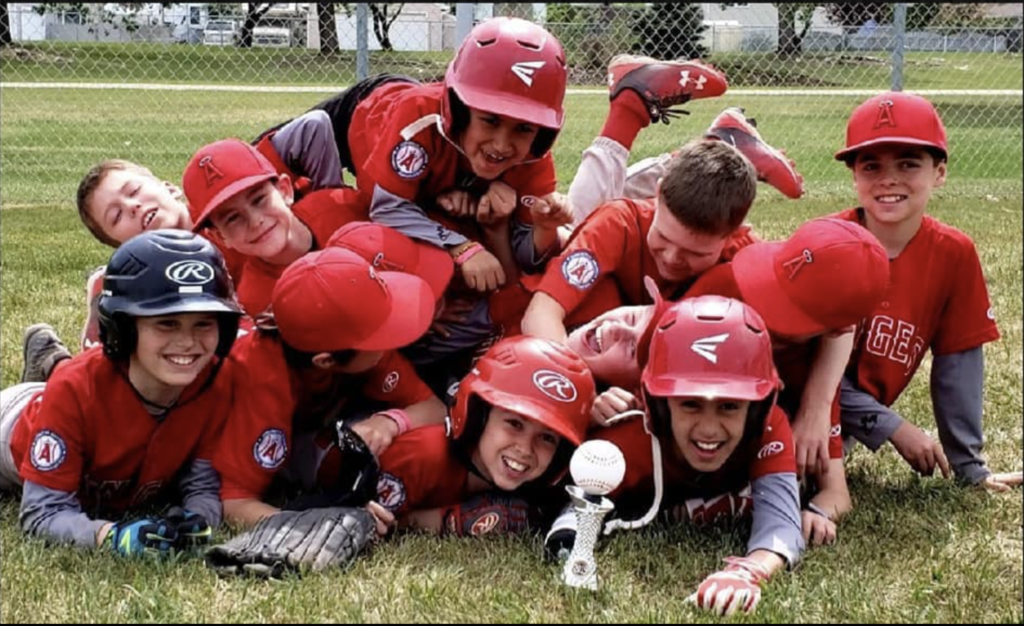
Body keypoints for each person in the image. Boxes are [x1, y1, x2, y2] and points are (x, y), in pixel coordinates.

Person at [551, 296, 803, 617]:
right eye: (690, 404)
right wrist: (571, 549)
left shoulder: (769, 426)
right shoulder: (633, 435)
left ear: (757, 410)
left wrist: (749, 571)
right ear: (657, 404)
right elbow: (575, 513)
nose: (709, 428)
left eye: (729, 405)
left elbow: (782, 526)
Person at [0, 230, 243, 556]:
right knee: (70, 384)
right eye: (167, 323)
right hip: (12, 425)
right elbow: (41, 513)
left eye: (204, 323)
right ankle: (49, 368)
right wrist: (108, 536)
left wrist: (199, 518)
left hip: (100, 441)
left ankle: (49, 362)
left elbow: (203, 484)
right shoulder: (74, 388)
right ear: (123, 330)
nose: (188, 342)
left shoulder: (216, 380)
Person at [830, 92, 1022, 491]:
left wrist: (970, 468)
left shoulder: (953, 254)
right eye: (871, 165)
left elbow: (958, 366)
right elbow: (794, 372)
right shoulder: (826, 245)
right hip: (791, 413)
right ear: (853, 174)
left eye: (908, 163)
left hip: (838, 431)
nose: (888, 179)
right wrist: (891, 425)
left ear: (939, 171)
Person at [685, 217, 890, 545]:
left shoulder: (813, 370)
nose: (765, 315)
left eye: (787, 317)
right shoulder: (723, 289)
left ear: (835, 332)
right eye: (768, 290)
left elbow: (836, 491)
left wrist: (817, 513)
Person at [213, 246, 449, 528]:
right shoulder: (263, 379)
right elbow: (234, 502)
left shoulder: (343, 340)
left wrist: (391, 422)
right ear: (325, 361)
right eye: (377, 335)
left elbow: (434, 407)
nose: (390, 340)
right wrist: (316, 523)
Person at [521, 137, 758, 344]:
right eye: (663, 236)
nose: (671, 257)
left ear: (736, 233)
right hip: (587, 354)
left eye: (695, 253)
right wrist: (579, 386)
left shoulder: (747, 260)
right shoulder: (619, 223)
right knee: (600, 297)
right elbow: (541, 314)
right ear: (657, 192)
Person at [369, 335, 596, 537]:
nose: (525, 449)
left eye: (548, 438)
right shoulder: (422, 454)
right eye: (514, 423)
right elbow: (358, 521)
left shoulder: (542, 484)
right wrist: (449, 521)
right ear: (479, 416)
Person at [182, 138, 367, 317]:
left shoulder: (342, 207)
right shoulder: (256, 302)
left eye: (259, 200)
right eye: (233, 218)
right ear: (220, 237)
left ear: (285, 190)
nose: (255, 221)